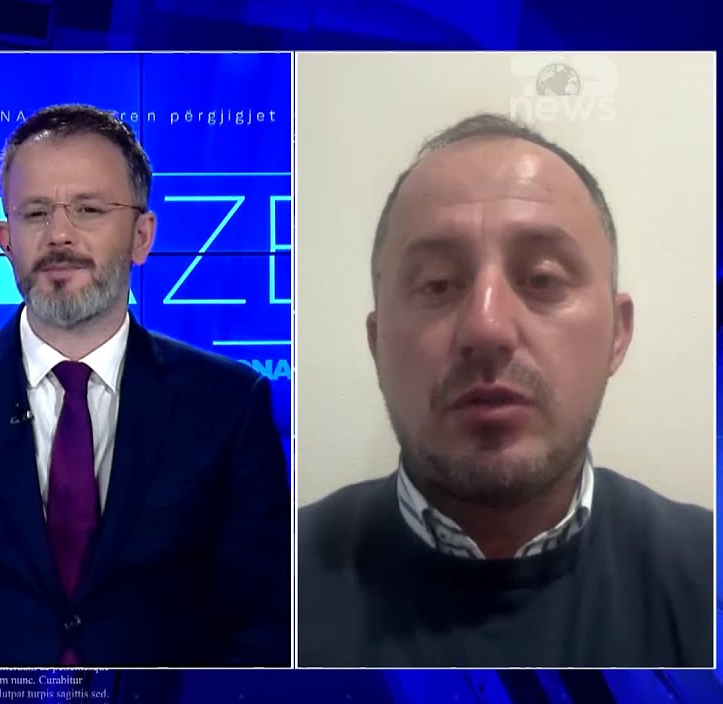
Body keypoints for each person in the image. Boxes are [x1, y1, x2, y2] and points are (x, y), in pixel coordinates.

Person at [0, 104, 291, 668]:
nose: (59, 235)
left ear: (141, 236)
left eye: (89, 210)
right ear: (5, 239)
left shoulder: (229, 404)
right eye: (35, 213)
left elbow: (261, 627)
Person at [298, 113, 713, 668]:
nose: (486, 326)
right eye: (437, 284)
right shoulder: (264, 580)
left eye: (542, 279)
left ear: (617, 334)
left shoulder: (706, 577)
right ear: (377, 342)